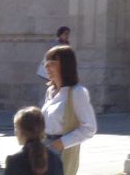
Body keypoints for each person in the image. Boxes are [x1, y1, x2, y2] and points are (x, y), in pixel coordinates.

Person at [40, 44, 96, 175]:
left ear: (65, 65)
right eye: (45, 62)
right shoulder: (50, 91)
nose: (46, 66)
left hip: (62, 148)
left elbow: (89, 128)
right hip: (44, 146)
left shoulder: (77, 92)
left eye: (52, 62)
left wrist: (61, 143)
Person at [0, 107, 48, 175]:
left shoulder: (14, 161)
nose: (15, 133)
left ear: (22, 131)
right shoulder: (55, 160)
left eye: (16, 128)